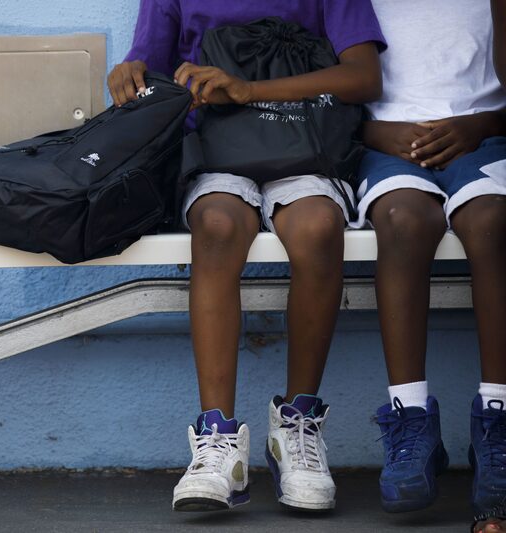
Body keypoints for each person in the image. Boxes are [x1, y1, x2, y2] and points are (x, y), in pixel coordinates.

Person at [108, 0, 385, 512]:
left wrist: (250, 89)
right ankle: (218, 443)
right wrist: (131, 76)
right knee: (215, 226)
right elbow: (149, 66)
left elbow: (365, 77)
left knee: (321, 228)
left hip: (306, 143)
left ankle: (297, 428)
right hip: (217, 148)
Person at [354, 0, 506, 515]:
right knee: (403, 222)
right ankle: (410, 415)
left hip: (484, 140)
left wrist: (481, 126)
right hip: (386, 145)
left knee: (491, 221)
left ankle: (498, 419)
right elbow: (333, 87)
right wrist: (375, 133)